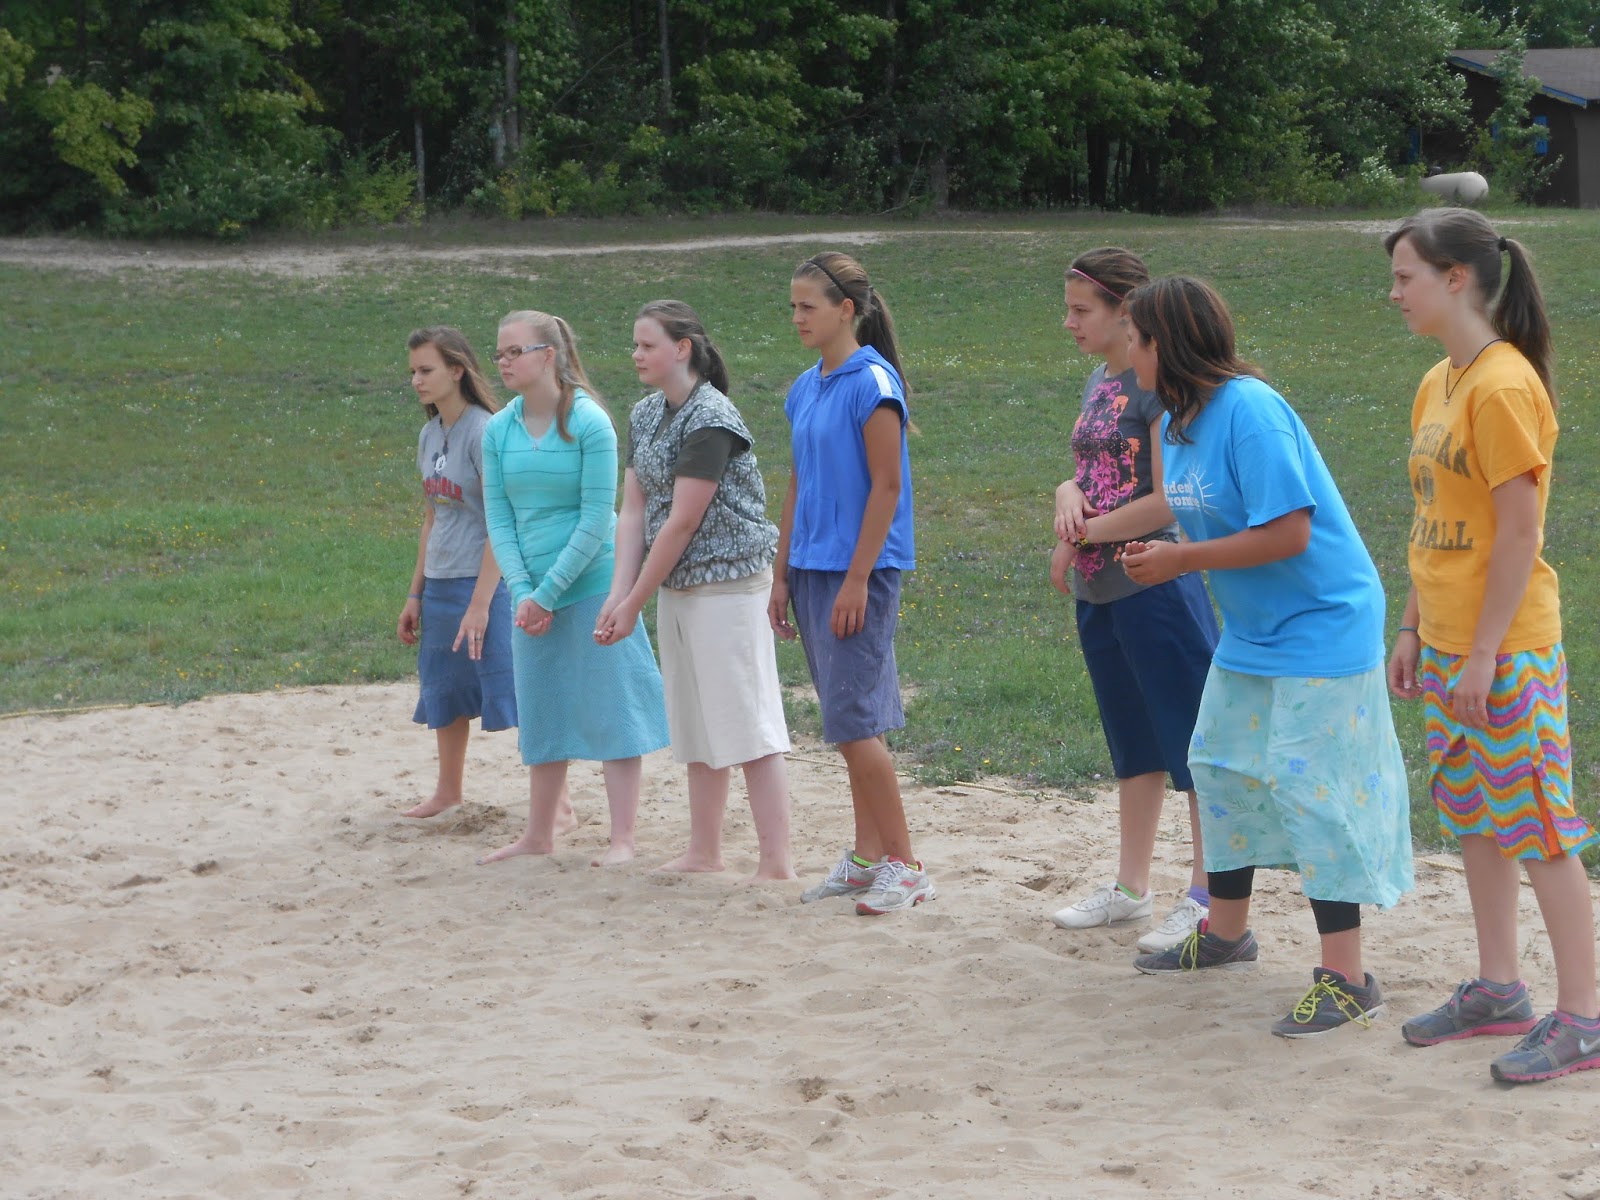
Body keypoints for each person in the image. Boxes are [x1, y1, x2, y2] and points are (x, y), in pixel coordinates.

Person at [1119, 276, 1413, 1038]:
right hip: (1254, 632)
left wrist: (1182, 561)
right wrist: (1159, 550)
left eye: (1136, 338)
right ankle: (1226, 934)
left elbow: (1289, 532)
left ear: (1166, 345)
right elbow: (1207, 516)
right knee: (1218, 764)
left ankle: (1348, 980)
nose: (1127, 352)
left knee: (1310, 788)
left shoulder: (1251, 410)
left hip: (1325, 622)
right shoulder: (1178, 421)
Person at [1385, 209, 1600, 1083]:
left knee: (1539, 826)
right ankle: (1500, 988)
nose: (1394, 293)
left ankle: (1583, 1016)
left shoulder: (1503, 386)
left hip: (1505, 649)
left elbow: (1518, 533)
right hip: (1448, 643)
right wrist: (1413, 627)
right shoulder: (1439, 381)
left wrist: (1482, 655)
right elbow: (1434, 519)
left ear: (1456, 279)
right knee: (1476, 817)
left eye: (1405, 276)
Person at [1046, 249, 1219, 952]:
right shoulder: (1098, 379)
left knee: (1192, 746)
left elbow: (1168, 500)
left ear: (1127, 311)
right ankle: (1131, 888)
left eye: (1081, 310)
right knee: (1134, 742)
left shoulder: (1156, 385)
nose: (1069, 323)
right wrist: (1066, 497)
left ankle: (1207, 897)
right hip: (1101, 588)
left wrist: (1085, 532)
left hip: (1156, 585)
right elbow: (1090, 471)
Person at [596, 300, 796, 883]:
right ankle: (705, 850)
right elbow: (633, 511)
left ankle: (776, 862)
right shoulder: (645, 413)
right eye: (635, 344)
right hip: (679, 586)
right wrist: (619, 593)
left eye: (647, 344)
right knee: (696, 722)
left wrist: (633, 602)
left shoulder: (711, 416)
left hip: (729, 585)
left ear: (682, 348)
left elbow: (683, 521)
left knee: (748, 724)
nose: (636, 354)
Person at [769, 251, 932, 915]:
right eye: (793, 306)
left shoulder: (873, 383)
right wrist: (780, 573)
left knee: (855, 724)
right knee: (849, 721)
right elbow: (798, 481)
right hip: (812, 568)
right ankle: (867, 859)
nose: (797, 317)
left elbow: (887, 486)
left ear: (845, 310)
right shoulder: (805, 386)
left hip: (857, 571)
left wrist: (859, 578)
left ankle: (905, 865)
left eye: (808, 306)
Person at [478, 310, 669, 867]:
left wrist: (549, 592)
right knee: (542, 709)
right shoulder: (499, 430)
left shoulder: (590, 422)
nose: (504, 362)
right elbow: (499, 518)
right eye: (499, 353)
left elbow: (595, 518)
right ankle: (539, 833)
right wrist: (522, 591)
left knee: (613, 708)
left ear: (548, 355)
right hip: (530, 592)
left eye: (514, 351)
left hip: (591, 586)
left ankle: (623, 839)